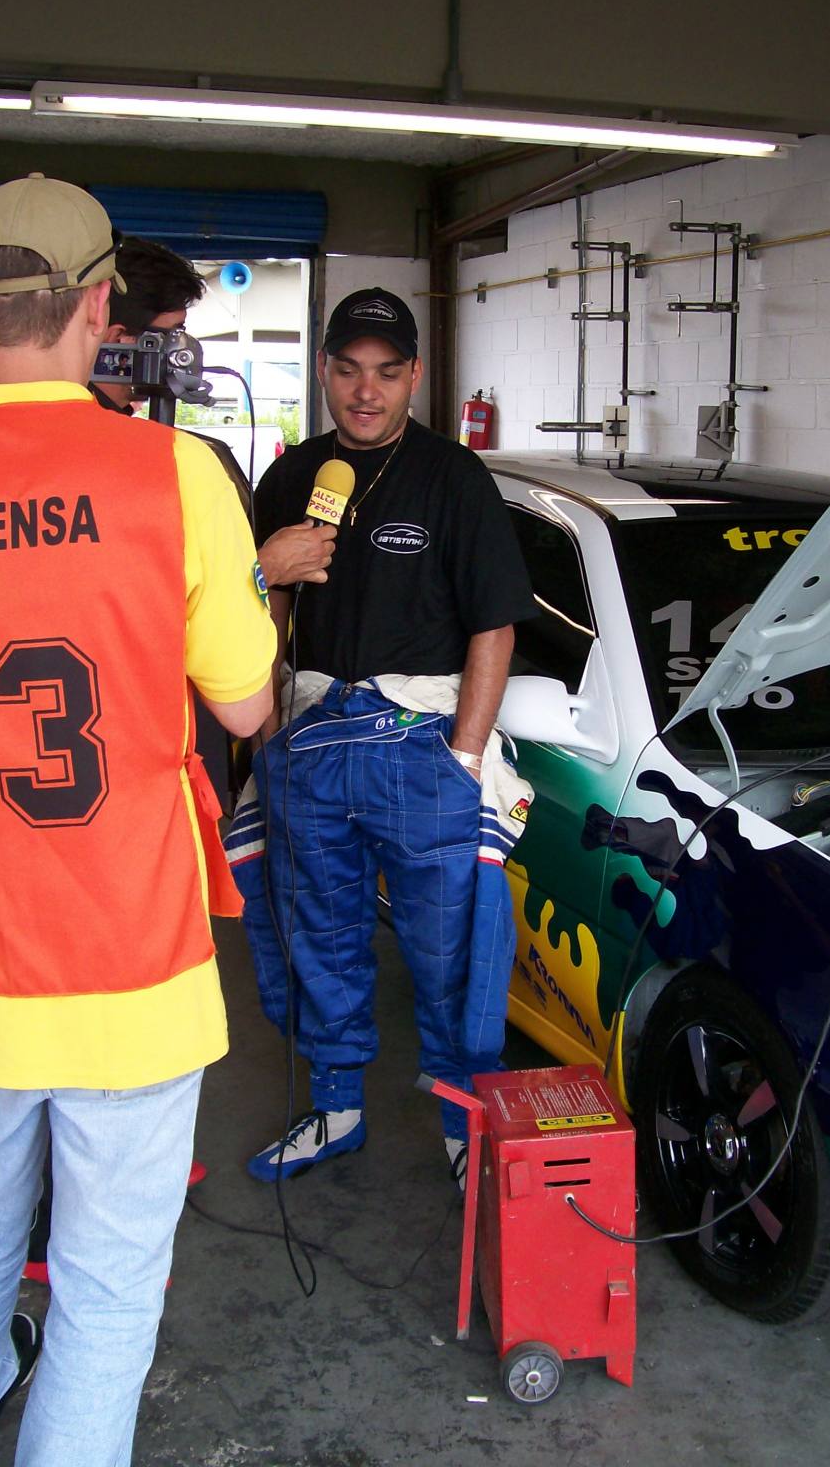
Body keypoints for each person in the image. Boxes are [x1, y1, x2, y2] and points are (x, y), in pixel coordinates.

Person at [0, 174, 276, 1467]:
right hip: (129, 955)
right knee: (107, 1272)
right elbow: (244, 707)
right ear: (95, 307)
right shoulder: (172, 476)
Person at [229, 287, 537, 1185]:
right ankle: (337, 1108)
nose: (367, 392)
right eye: (349, 370)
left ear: (414, 377)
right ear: (324, 370)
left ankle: (458, 1121)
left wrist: (466, 756)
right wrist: (272, 728)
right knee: (318, 935)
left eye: (388, 373)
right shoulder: (294, 479)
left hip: (422, 749)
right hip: (312, 743)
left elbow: (494, 628)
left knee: (448, 950)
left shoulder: (453, 477)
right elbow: (266, 613)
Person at [92, 235, 334, 589]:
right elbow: (145, 591)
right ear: (123, 342)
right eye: (173, 335)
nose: (185, 350)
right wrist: (266, 569)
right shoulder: (103, 452)